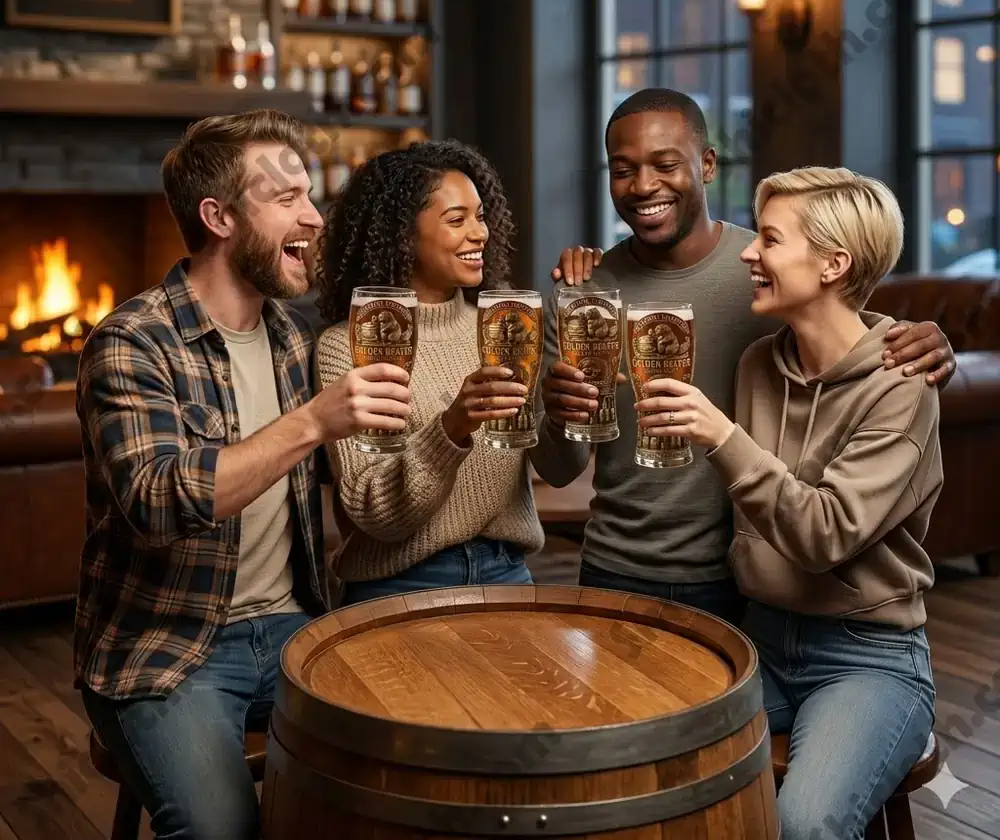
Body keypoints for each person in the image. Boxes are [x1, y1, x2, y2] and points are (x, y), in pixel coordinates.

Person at [74, 110, 413, 840]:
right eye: (288, 197)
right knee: (220, 827)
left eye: (311, 195)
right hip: (171, 650)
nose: (314, 218)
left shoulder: (297, 337)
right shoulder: (132, 342)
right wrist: (314, 422)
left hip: (297, 626)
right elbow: (158, 500)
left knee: (419, 765)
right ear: (218, 215)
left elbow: (357, 484)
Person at [537, 88, 955, 626]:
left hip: (746, 579)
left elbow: (847, 335)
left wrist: (929, 340)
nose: (643, 186)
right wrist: (560, 414)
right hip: (614, 567)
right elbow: (557, 466)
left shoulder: (764, 275)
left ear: (707, 165)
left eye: (666, 164)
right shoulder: (584, 290)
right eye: (623, 170)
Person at [637, 166, 939, 839]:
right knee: (641, 763)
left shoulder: (902, 385)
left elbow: (826, 535)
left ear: (834, 264)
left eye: (769, 239)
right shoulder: (757, 365)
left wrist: (722, 434)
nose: (749, 251)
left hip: (869, 657)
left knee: (805, 824)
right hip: (761, 641)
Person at [315, 140, 563, 604]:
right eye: (457, 220)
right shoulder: (347, 346)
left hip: (508, 576)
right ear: (404, 236)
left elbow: (554, 465)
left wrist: (566, 413)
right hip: (401, 586)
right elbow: (374, 511)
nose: (480, 234)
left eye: (481, 216)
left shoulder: (503, 328)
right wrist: (452, 427)